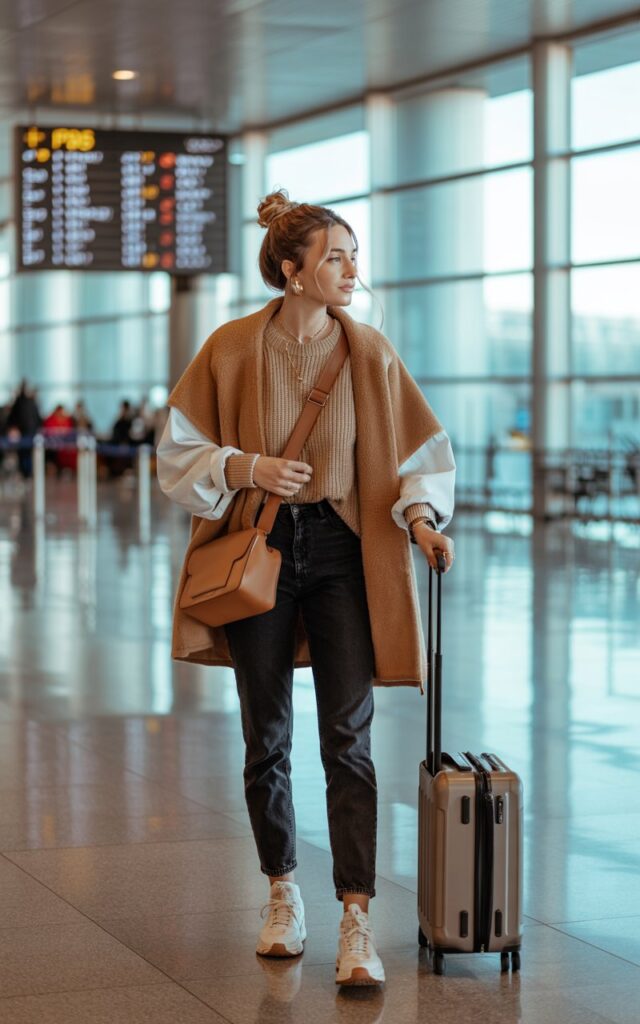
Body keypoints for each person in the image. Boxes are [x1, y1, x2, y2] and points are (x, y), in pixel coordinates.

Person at [156, 188, 456, 988]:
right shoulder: (228, 348)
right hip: (260, 546)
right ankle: (282, 893)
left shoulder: (372, 352)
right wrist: (246, 467)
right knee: (267, 737)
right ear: (292, 271)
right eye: (335, 256)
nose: (351, 269)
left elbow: (417, 456)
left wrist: (422, 519)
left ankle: (356, 917)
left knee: (348, 739)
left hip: (346, 550)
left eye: (353, 255)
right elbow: (176, 454)